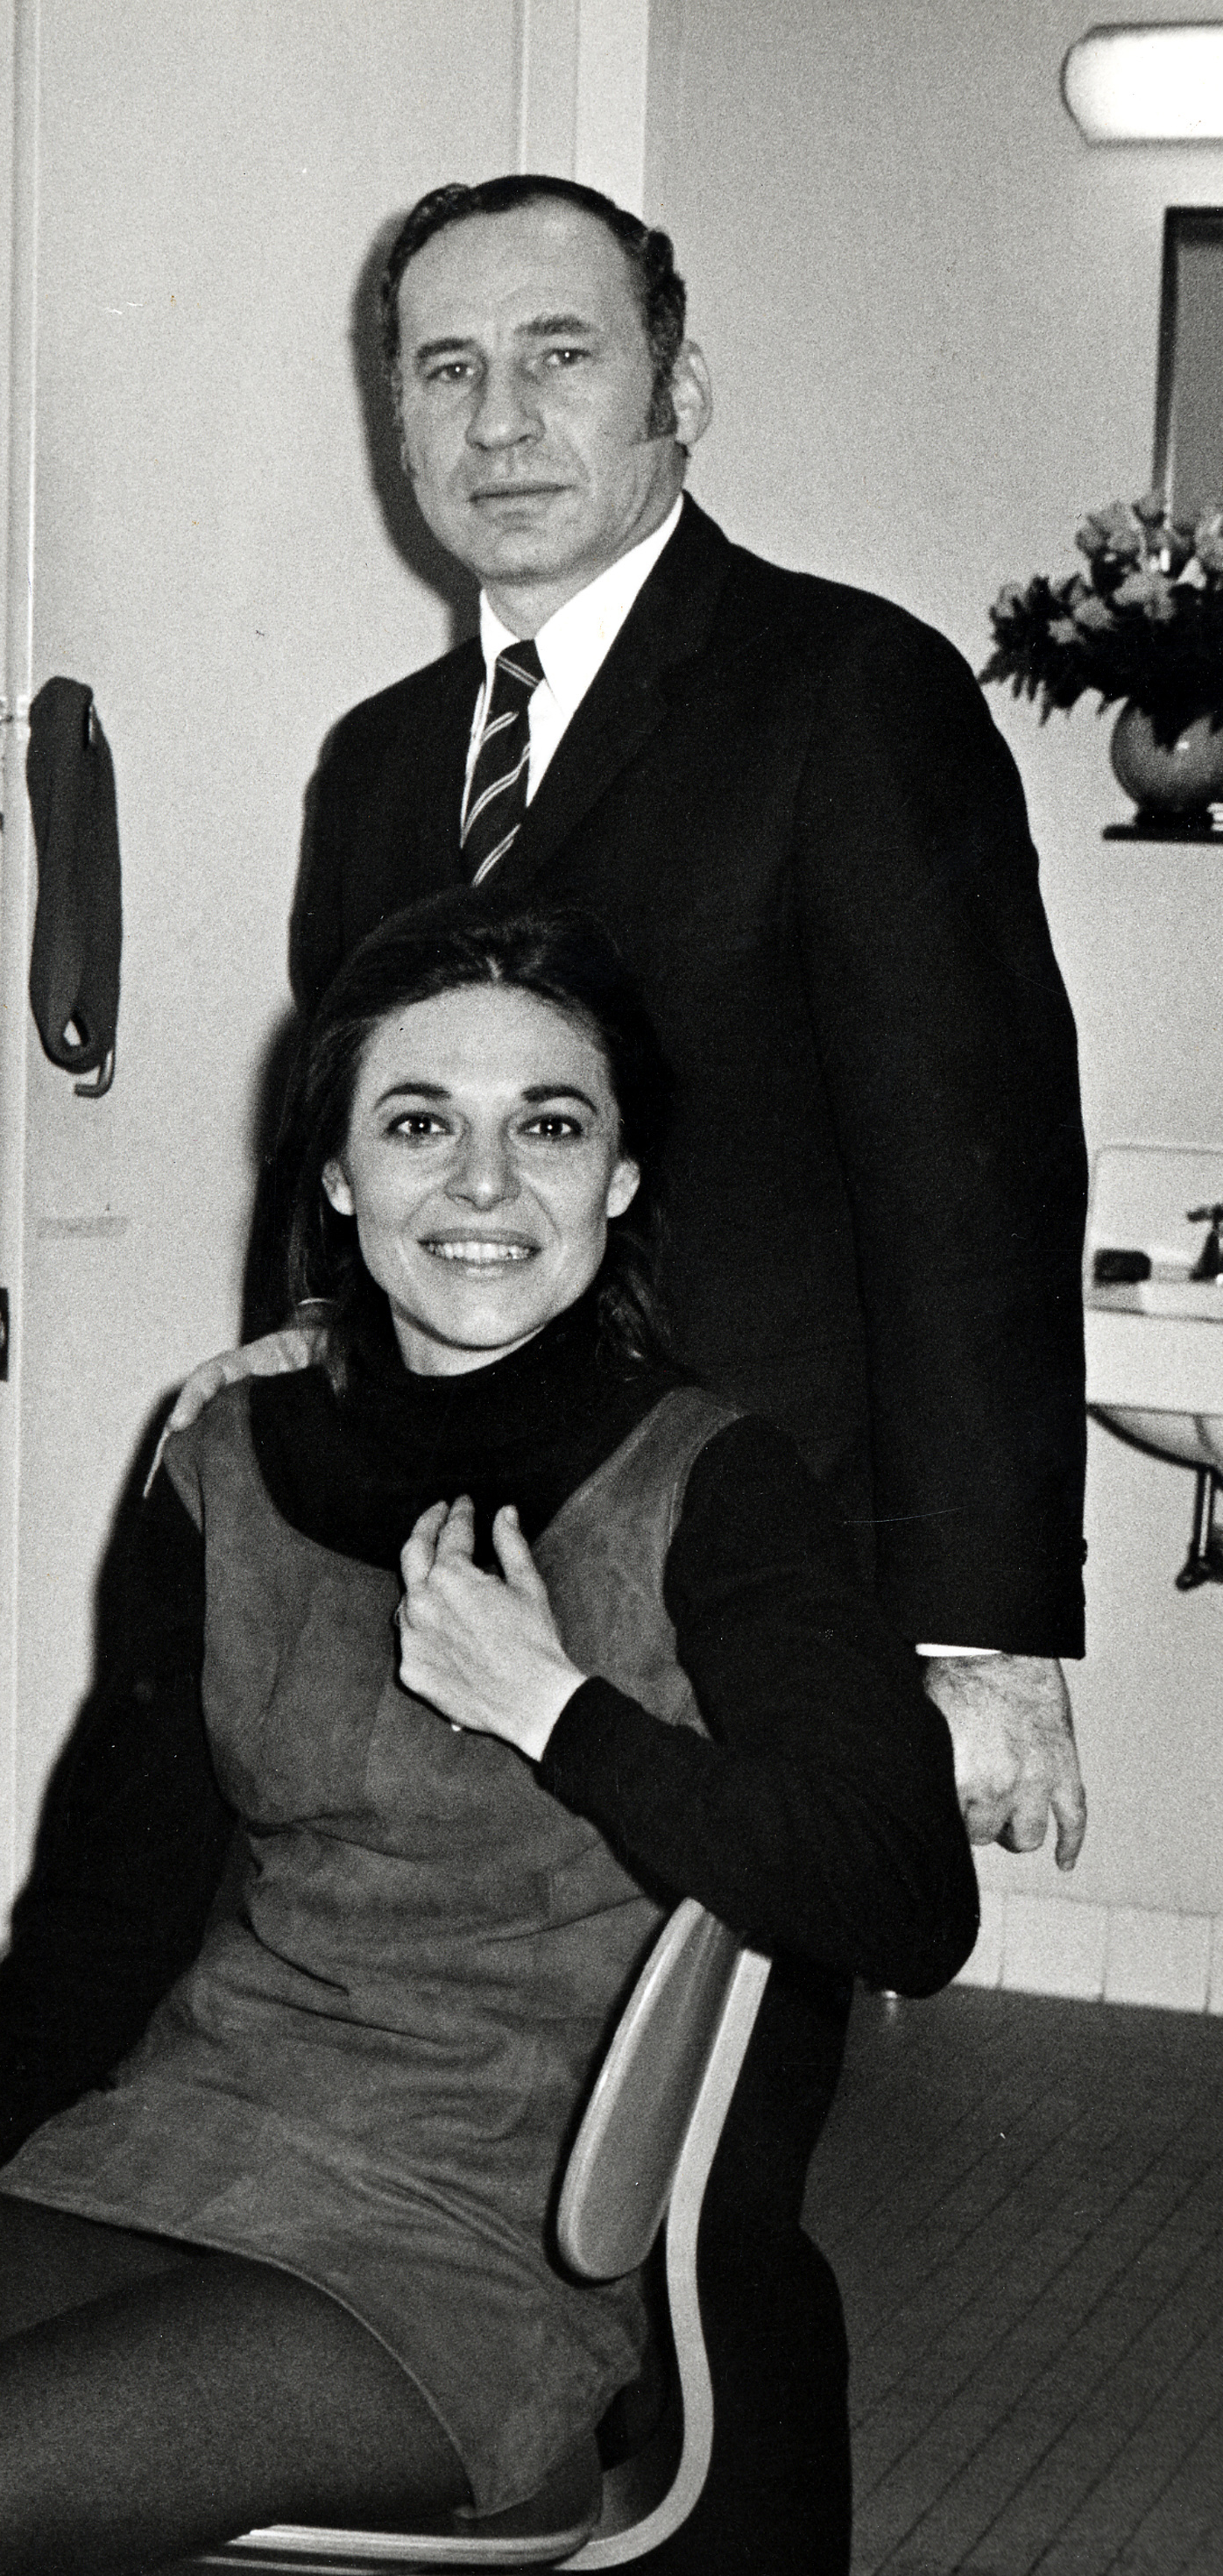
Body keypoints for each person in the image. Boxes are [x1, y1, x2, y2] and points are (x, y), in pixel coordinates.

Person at [0, 898, 978, 2576]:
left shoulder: (713, 1486)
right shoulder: (232, 1458)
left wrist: (554, 1708)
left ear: (621, 1178)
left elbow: (907, 1896)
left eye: (545, 1127)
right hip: (177, 2141)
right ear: (332, 1173)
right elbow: (105, 1918)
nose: (481, 1185)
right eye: (418, 1125)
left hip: (474, 2227)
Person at [203, 171, 1087, 1872]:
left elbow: (964, 1184)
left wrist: (976, 1633)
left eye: (559, 355)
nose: (502, 421)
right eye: (444, 369)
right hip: (443, 1582)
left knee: (693, 2116)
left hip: (738, 1572)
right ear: (396, 417)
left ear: (675, 393)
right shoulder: (377, 763)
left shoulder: (842, 694)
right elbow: (321, 1179)